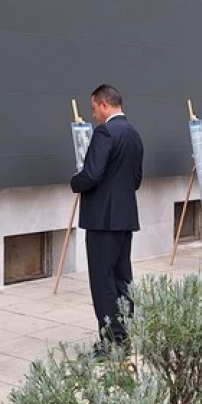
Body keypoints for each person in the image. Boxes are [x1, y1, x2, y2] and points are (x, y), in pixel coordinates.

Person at [70, 84, 144, 354]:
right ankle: (125, 333)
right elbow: (136, 179)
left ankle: (111, 341)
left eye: (94, 109)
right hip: (125, 216)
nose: (94, 115)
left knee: (102, 280)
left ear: (104, 104)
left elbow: (91, 174)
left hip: (103, 219)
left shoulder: (105, 132)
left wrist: (74, 182)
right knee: (122, 277)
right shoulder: (133, 133)